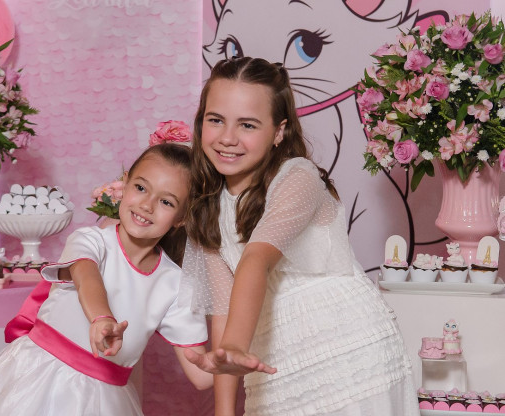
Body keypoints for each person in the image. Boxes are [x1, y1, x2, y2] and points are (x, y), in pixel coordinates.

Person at [180, 57, 420, 416]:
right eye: (216, 120)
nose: (227, 138)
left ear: (279, 131)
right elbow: (224, 309)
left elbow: (256, 259)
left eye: (247, 124)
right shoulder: (206, 204)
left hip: (345, 349)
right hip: (274, 361)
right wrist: (224, 409)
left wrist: (235, 345)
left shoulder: (298, 177)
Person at [0, 143, 212, 416]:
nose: (147, 205)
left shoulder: (175, 283)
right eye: (141, 188)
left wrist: (228, 362)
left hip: (106, 399)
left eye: (166, 202)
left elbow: (201, 374)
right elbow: (86, 276)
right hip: (38, 377)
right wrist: (101, 318)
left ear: (182, 218)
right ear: (125, 184)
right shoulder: (90, 240)